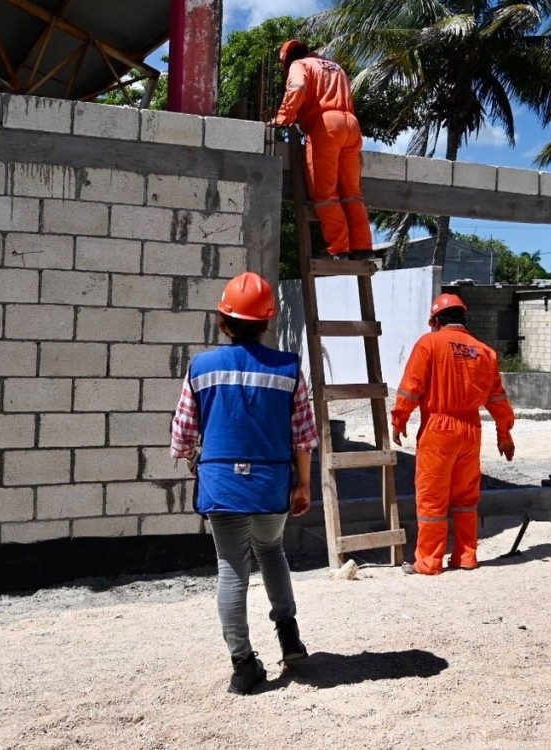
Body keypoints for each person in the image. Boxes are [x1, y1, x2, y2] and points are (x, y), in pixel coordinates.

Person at [170, 271, 319, 695]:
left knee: (231, 568)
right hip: (272, 483)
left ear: (224, 319)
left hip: (222, 485)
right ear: (268, 320)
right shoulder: (289, 369)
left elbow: (182, 434)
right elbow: (303, 436)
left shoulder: (201, 367)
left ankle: (243, 665)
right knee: (271, 549)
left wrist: (190, 459)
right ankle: (289, 636)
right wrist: (302, 484)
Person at [391, 294, 516, 576]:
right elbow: (497, 398)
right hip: (471, 430)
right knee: (466, 498)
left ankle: (429, 561)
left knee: (432, 499)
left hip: (439, 429)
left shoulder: (429, 343)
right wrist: (504, 433)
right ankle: (466, 556)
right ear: (463, 318)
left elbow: (411, 387)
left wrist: (399, 419)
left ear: (436, 321)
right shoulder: (484, 352)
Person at [268, 39, 374, 261]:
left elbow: (297, 88)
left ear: (287, 60)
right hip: (351, 125)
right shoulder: (335, 66)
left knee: (325, 192)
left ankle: (339, 249)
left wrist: (281, 119)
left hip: (327, 126)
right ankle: (363, 247)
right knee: (352, 193)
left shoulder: (300, 65)